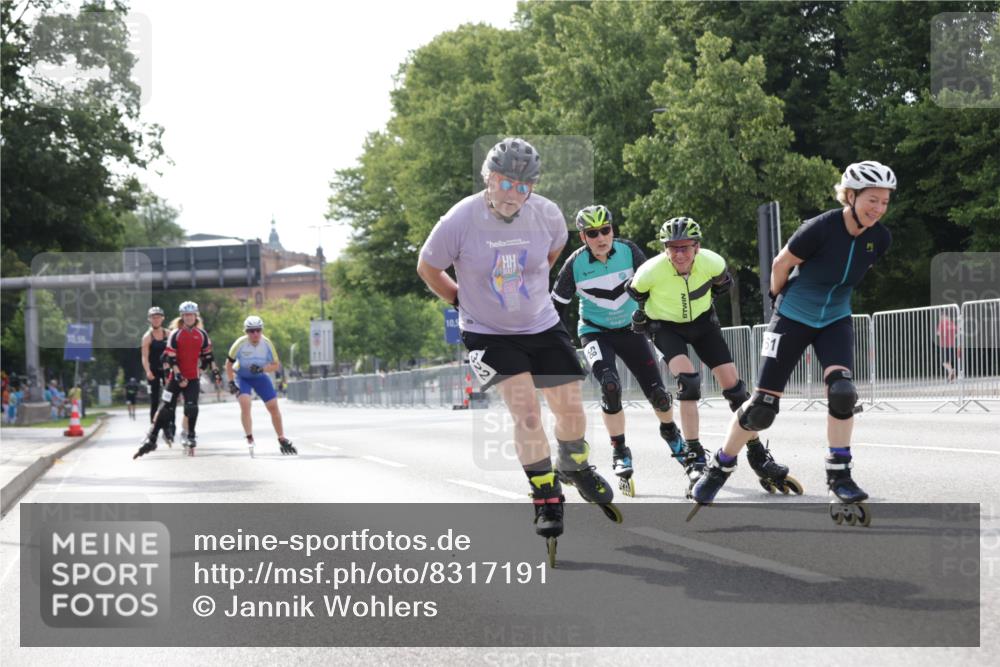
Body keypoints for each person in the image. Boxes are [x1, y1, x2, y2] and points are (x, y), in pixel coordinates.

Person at [417, 137, 620, 555]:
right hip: (486, 332)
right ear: (489, 178)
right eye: (506, 183)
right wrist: (459, 299)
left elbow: (553, 249)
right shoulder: (460, 218)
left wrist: (531, 287)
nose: (513, 194)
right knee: (526, 412)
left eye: (523, 187)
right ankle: (546, 495)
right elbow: (428, 266)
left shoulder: (545, 214)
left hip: (541, 324)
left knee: (570, 411)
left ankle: (574, 465)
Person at [693, 161, 895, 523]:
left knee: (843, 392)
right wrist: (777, 302)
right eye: (871, 200)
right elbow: (781, 263)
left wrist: (830, 302)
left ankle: (839, 473)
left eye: (884, 201)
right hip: (792, 316)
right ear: (850, 196)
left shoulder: (879, 238)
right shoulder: (819, 228)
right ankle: (719, 467)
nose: (878, 209)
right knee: (761, 409)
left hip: (834, 318)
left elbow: (849, 277)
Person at [629, 216, 799, 494]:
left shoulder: (713, 262)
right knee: (689, 382)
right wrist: (641, 317)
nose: (680, 254)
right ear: (665, 249)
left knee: (736, 389)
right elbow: (635, 293)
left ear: (697, 247)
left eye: (686, 247)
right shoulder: (650, 271)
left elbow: (722, 283)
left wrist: (713, 293)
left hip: (703, 324)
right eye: (673, 248)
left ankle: (757, 455)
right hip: (665, 326)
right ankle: (695, 459)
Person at [551, 204, 682, 497]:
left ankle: (672, 434)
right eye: (593, 233)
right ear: (583, 237)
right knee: (610, 385)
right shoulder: (575, 264)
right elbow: (555, 309)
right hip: (595, 333)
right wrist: (558, 348)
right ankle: (620, 450)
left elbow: (654, 285)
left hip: (630, 330)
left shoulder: (629, 251)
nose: (601, 238)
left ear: (613, 229)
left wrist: (657, 321)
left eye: (605, 230)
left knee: (659, 395)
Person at [133, 301, 222, 458]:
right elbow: (170, 358)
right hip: (175, 378)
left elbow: (208, 356)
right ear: (182, 317)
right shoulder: (175, 334)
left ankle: (191, 435)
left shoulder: (202, 335)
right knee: (165, 408)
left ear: (196, 316)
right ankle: (152, 437)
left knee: (191, 407)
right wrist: (179, 375)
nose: (188, 318)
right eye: (186, 315)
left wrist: (213, 371)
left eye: (191, 315)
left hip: (193, 378)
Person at [225, 315, 296, 456]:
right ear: (246, 332)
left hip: (259, 377)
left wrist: (262, 369)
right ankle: (249, 437)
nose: (255, 334)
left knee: (273, 407)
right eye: (251, 331)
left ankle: (281, 438)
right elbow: (228, 363)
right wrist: (231, 381)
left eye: (258, 330)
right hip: (242, 377)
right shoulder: (240, 343)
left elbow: (276, 365)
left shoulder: (267, 344)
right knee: (245, 403)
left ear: (261, 330)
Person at [141, 306, 176, 444]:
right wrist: (148, 371)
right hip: (154, 371)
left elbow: (175, 352)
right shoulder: (147, 337)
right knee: (155, 400)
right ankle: (153, 430)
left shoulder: (169, 334)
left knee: (169, 400)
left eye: (158, 317)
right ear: (149, 319)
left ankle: (169, 428)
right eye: (153, 317)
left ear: (163, 318)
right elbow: (144, 357)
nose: (156, 319)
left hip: (167, 371)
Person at [936, 313, 958, 382]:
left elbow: (938, 333)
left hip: (944, 345)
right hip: (952, 345)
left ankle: (951, 371)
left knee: (944, 362)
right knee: (949, 362)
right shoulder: (951, 323)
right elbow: (957, 332)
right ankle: (951, 378)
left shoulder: (941, 323)